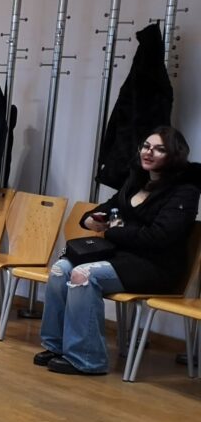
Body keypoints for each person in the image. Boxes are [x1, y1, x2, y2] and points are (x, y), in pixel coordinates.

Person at [35, 126, 198, 376]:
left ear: (174, 156)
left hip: (155, 267)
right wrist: (90, 219)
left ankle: (87, 359)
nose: (149, 152)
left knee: (83, 274)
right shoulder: (134, 183)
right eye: (146, 146)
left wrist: (113, 230)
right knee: (60, 269)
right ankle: (56, 346)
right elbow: (105, 208)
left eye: (159, 149)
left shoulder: (184, 192)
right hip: (122, 258)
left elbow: (158, 237)